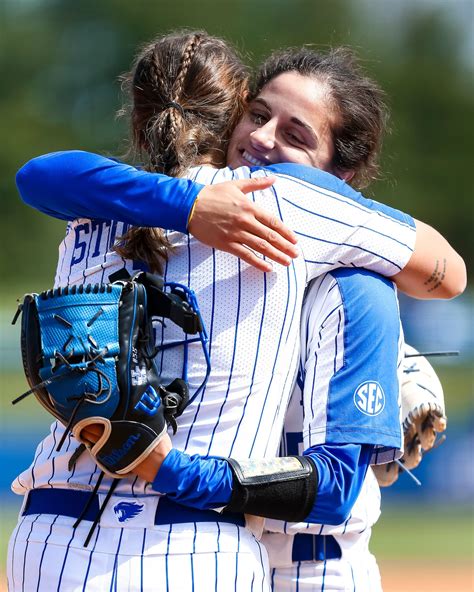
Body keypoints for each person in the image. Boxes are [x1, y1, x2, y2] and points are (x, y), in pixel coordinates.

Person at [9, 33, 465, 592]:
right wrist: (191, 205)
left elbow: (37, 175)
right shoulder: (288, 202)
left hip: (50, 538)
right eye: (256, 115)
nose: (263, 139)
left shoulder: (93, 211)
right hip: (199, 543)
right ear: (231, 115)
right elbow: (447, 271)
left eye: (295, 135)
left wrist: (395, 356)